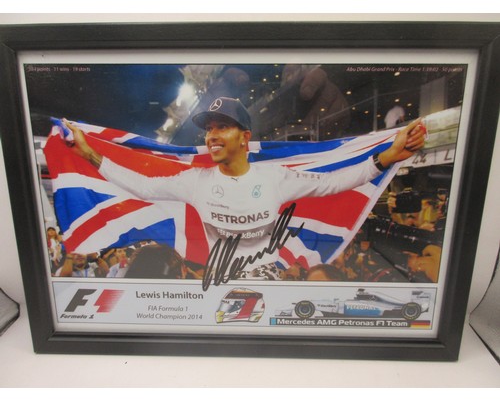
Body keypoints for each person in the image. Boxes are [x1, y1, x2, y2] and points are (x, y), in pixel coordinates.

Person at [63, 96, 426, 286]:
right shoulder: (195, 181)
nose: (212, 135)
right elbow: (142, 185)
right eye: (209, 128)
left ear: (245, 137)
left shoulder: (275, 178)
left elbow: (334, 182)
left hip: (270, 285)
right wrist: (88, 153)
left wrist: (386, 158)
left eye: (223, 127)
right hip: (216, 285)